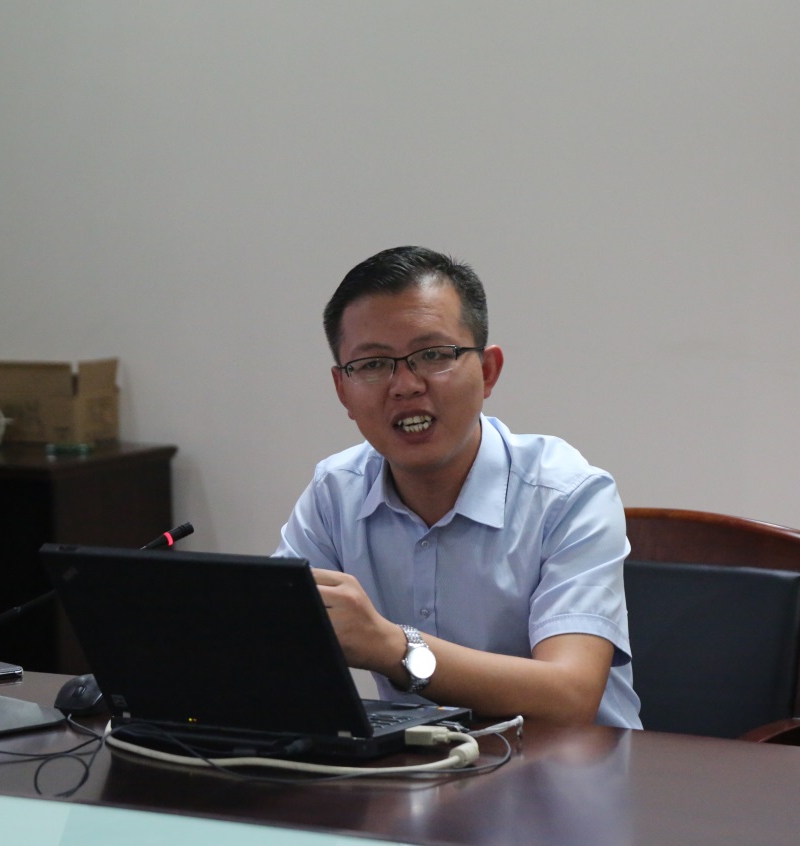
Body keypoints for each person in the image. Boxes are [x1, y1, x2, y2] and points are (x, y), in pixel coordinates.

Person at [275, 246, 641, 728]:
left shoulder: (570, 496)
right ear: (343, 389)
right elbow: (274, 651)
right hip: (412, 768)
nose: (405, 385)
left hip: (572, 768)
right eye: (373, 364)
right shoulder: (334, 493)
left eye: (432, 355)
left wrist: (392, 646)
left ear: (487, 372)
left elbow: (571, 695)